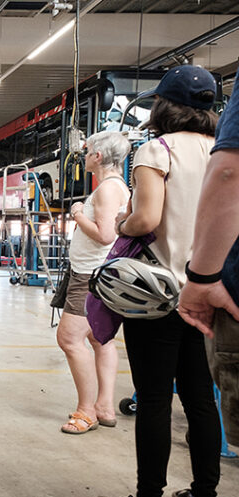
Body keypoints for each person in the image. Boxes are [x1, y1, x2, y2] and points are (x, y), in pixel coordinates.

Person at [115, 65, 221, 497]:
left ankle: (149, 492)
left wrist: (123, 224)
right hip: (209, 293)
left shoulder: (157, 151)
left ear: (163, 105)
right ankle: (206, 491)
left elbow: (146, 220)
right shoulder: (223, 151)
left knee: (155, 399)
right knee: (201, 401)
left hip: (160, 297)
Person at [177, 67, 239, 450]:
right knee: (199, 395)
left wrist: (201, 278)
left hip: (213, 297)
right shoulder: (208, 140)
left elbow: (230, 173)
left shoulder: (156, 150)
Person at [56, 131, 131, 434]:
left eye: (87, 152)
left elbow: (105, 234)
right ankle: (104, 406)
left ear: (97, 157)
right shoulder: (114, 187)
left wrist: (76, 213)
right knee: (100, 339)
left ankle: (86, 411)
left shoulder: (107, 190)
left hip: (90, 276)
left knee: (69, 339)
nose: (84, 156)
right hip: (97, 273)